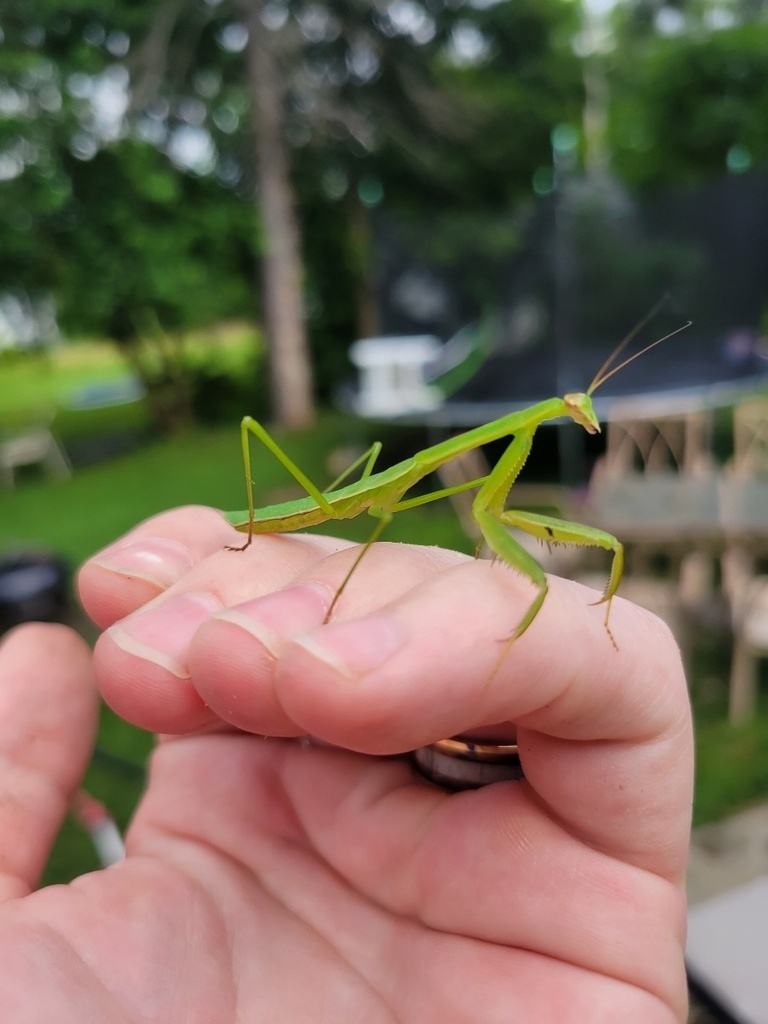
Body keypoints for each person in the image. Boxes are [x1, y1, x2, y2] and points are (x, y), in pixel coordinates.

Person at [0, 505, 693, 1022]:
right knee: (522, 590)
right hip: (319, 517)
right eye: (575, 410)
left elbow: (489, 523)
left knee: (509, 594)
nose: (584, 417)